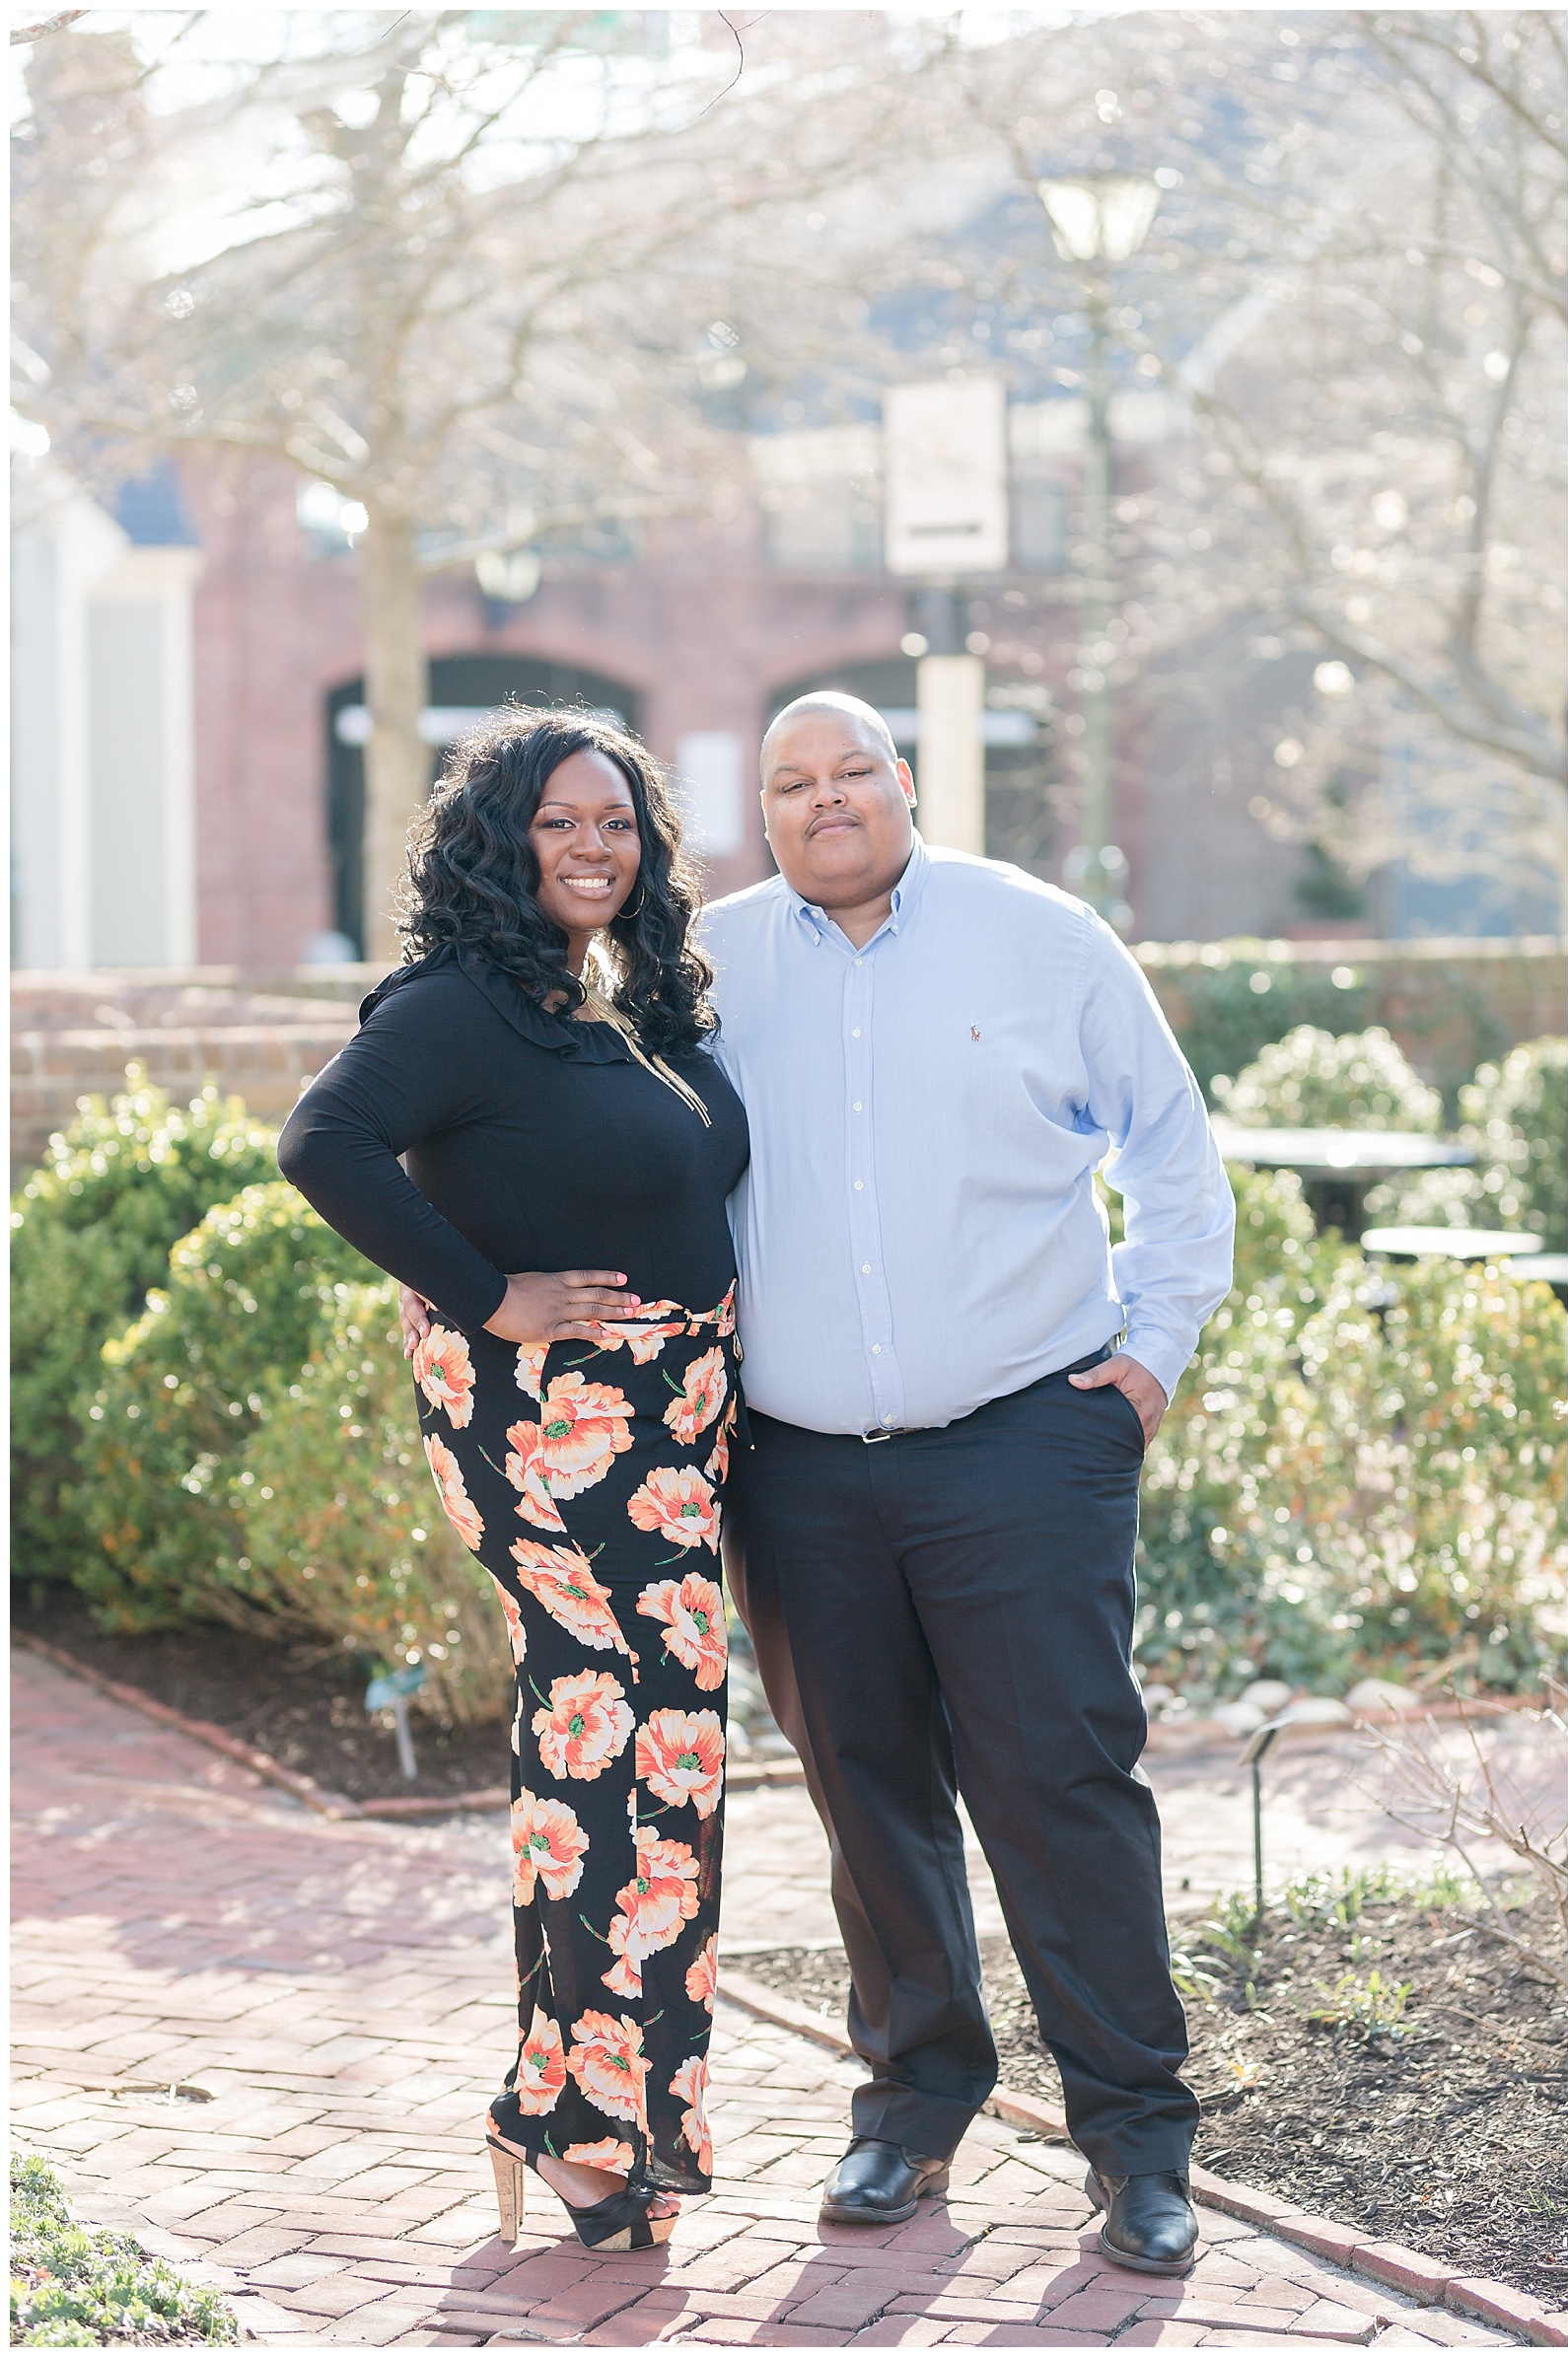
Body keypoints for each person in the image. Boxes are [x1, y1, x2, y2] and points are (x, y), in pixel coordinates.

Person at [698, 691, 1236, 2277]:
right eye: (793, 782)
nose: (826, 799)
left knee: (1061, 1786)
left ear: (906, 781)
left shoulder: (1044, 938)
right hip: (793, 1470)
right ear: (767, 810)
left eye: (853, 769)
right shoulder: (710, 967)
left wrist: (1150, 1361)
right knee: (867, 1795)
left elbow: (1175, 1156)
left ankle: (1136, 2138)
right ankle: (914, 2100)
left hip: (1025, 1441)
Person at [280, 712, 748, 2256]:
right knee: (623, 1740)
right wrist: (487, 1294)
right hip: (561, 1433)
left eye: (619, 821)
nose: (596, 846)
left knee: (641, 1750)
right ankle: (578, 2122)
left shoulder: (611, 1000)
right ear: (503, 836)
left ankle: (578, 2102)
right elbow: (323, 1140)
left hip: (666, 1446)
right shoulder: (460, 1004)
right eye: (560, 821)